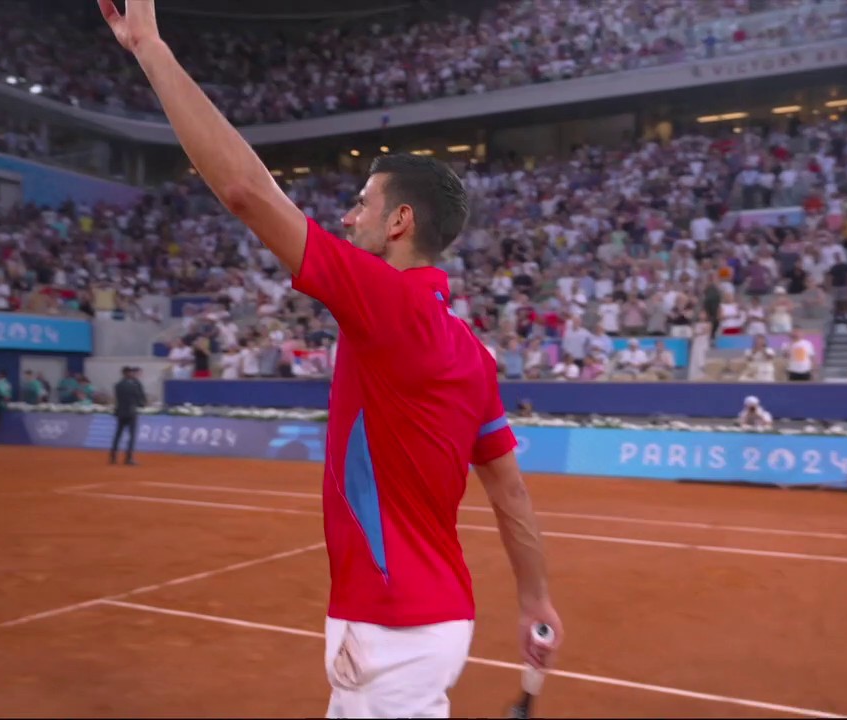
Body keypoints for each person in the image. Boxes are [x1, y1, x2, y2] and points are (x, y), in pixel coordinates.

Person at [98, 3, 562, 718]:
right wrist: (535, 597)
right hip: (430, 623)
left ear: (400, 222)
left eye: (360, 204)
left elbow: (246, 193)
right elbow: (511, 495)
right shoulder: (473, 352)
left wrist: (152, 52)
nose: (347, 218)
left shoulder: (385, 303)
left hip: (391, 629)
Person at [111, 366, 147, 466]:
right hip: (131, 413)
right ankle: (128, 458)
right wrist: (142, 404)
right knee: (131, 436)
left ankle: (113, 457)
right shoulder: (134, 386)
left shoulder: (118, 385)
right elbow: (139, 398)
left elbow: (117, 399)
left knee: (118, 435)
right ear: (128, 373)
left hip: (120, 413)